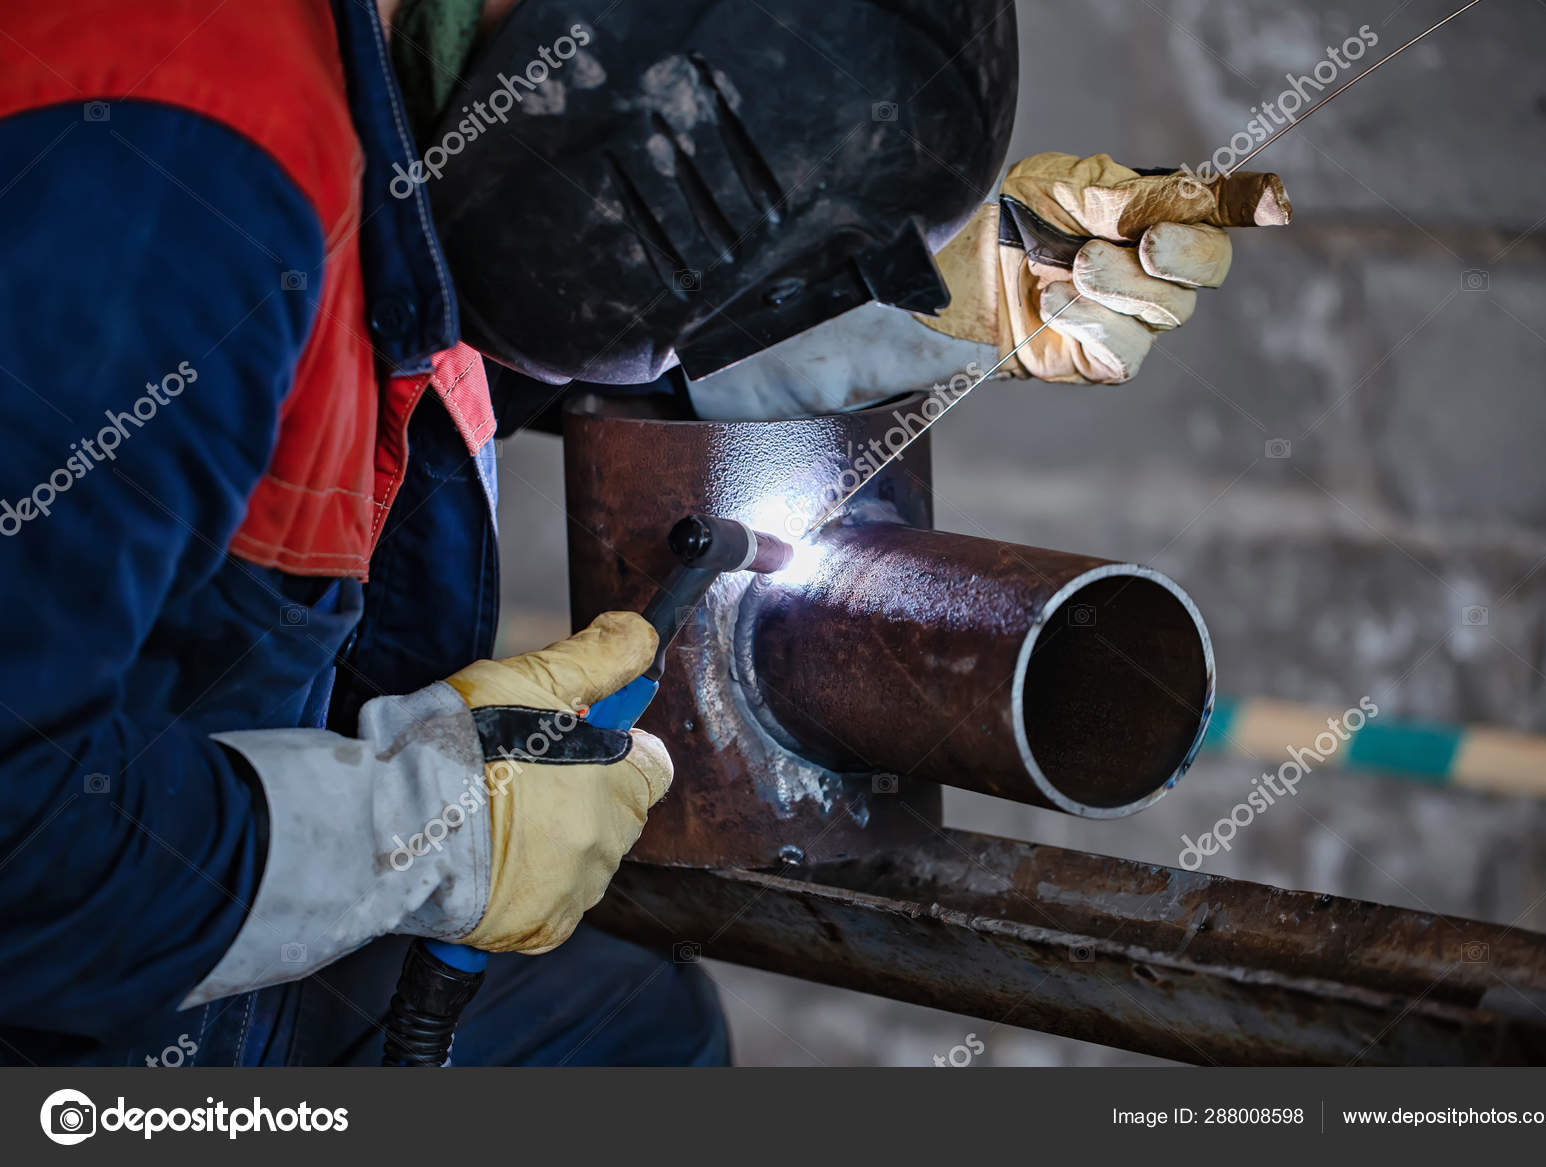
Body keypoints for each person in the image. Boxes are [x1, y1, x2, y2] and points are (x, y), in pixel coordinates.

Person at [0, 0, 1268, 1066]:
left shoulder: (362, 105)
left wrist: (927, 302)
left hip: (167, 902)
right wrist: (423, 830)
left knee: (625, 1032)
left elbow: (447, 360)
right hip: (76, 975)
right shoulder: (179, 169)